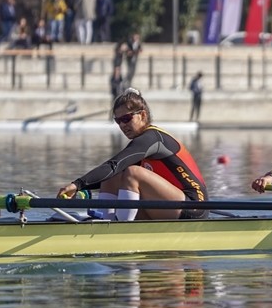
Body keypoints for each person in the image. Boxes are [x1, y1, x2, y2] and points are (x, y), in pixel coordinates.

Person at [57, 88, 208, 221]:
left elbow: (114, 164)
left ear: (142, 115)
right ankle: (106, 221)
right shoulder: (141, 143)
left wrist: (77, 184)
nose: (122, 125)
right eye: (118, 121)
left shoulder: (152, 138)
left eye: (126, 119)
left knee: (131, 172)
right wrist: (82, 188)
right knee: (113, 174)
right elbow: (113, 169)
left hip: (194, 207)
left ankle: (121, 227)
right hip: (170, 204)